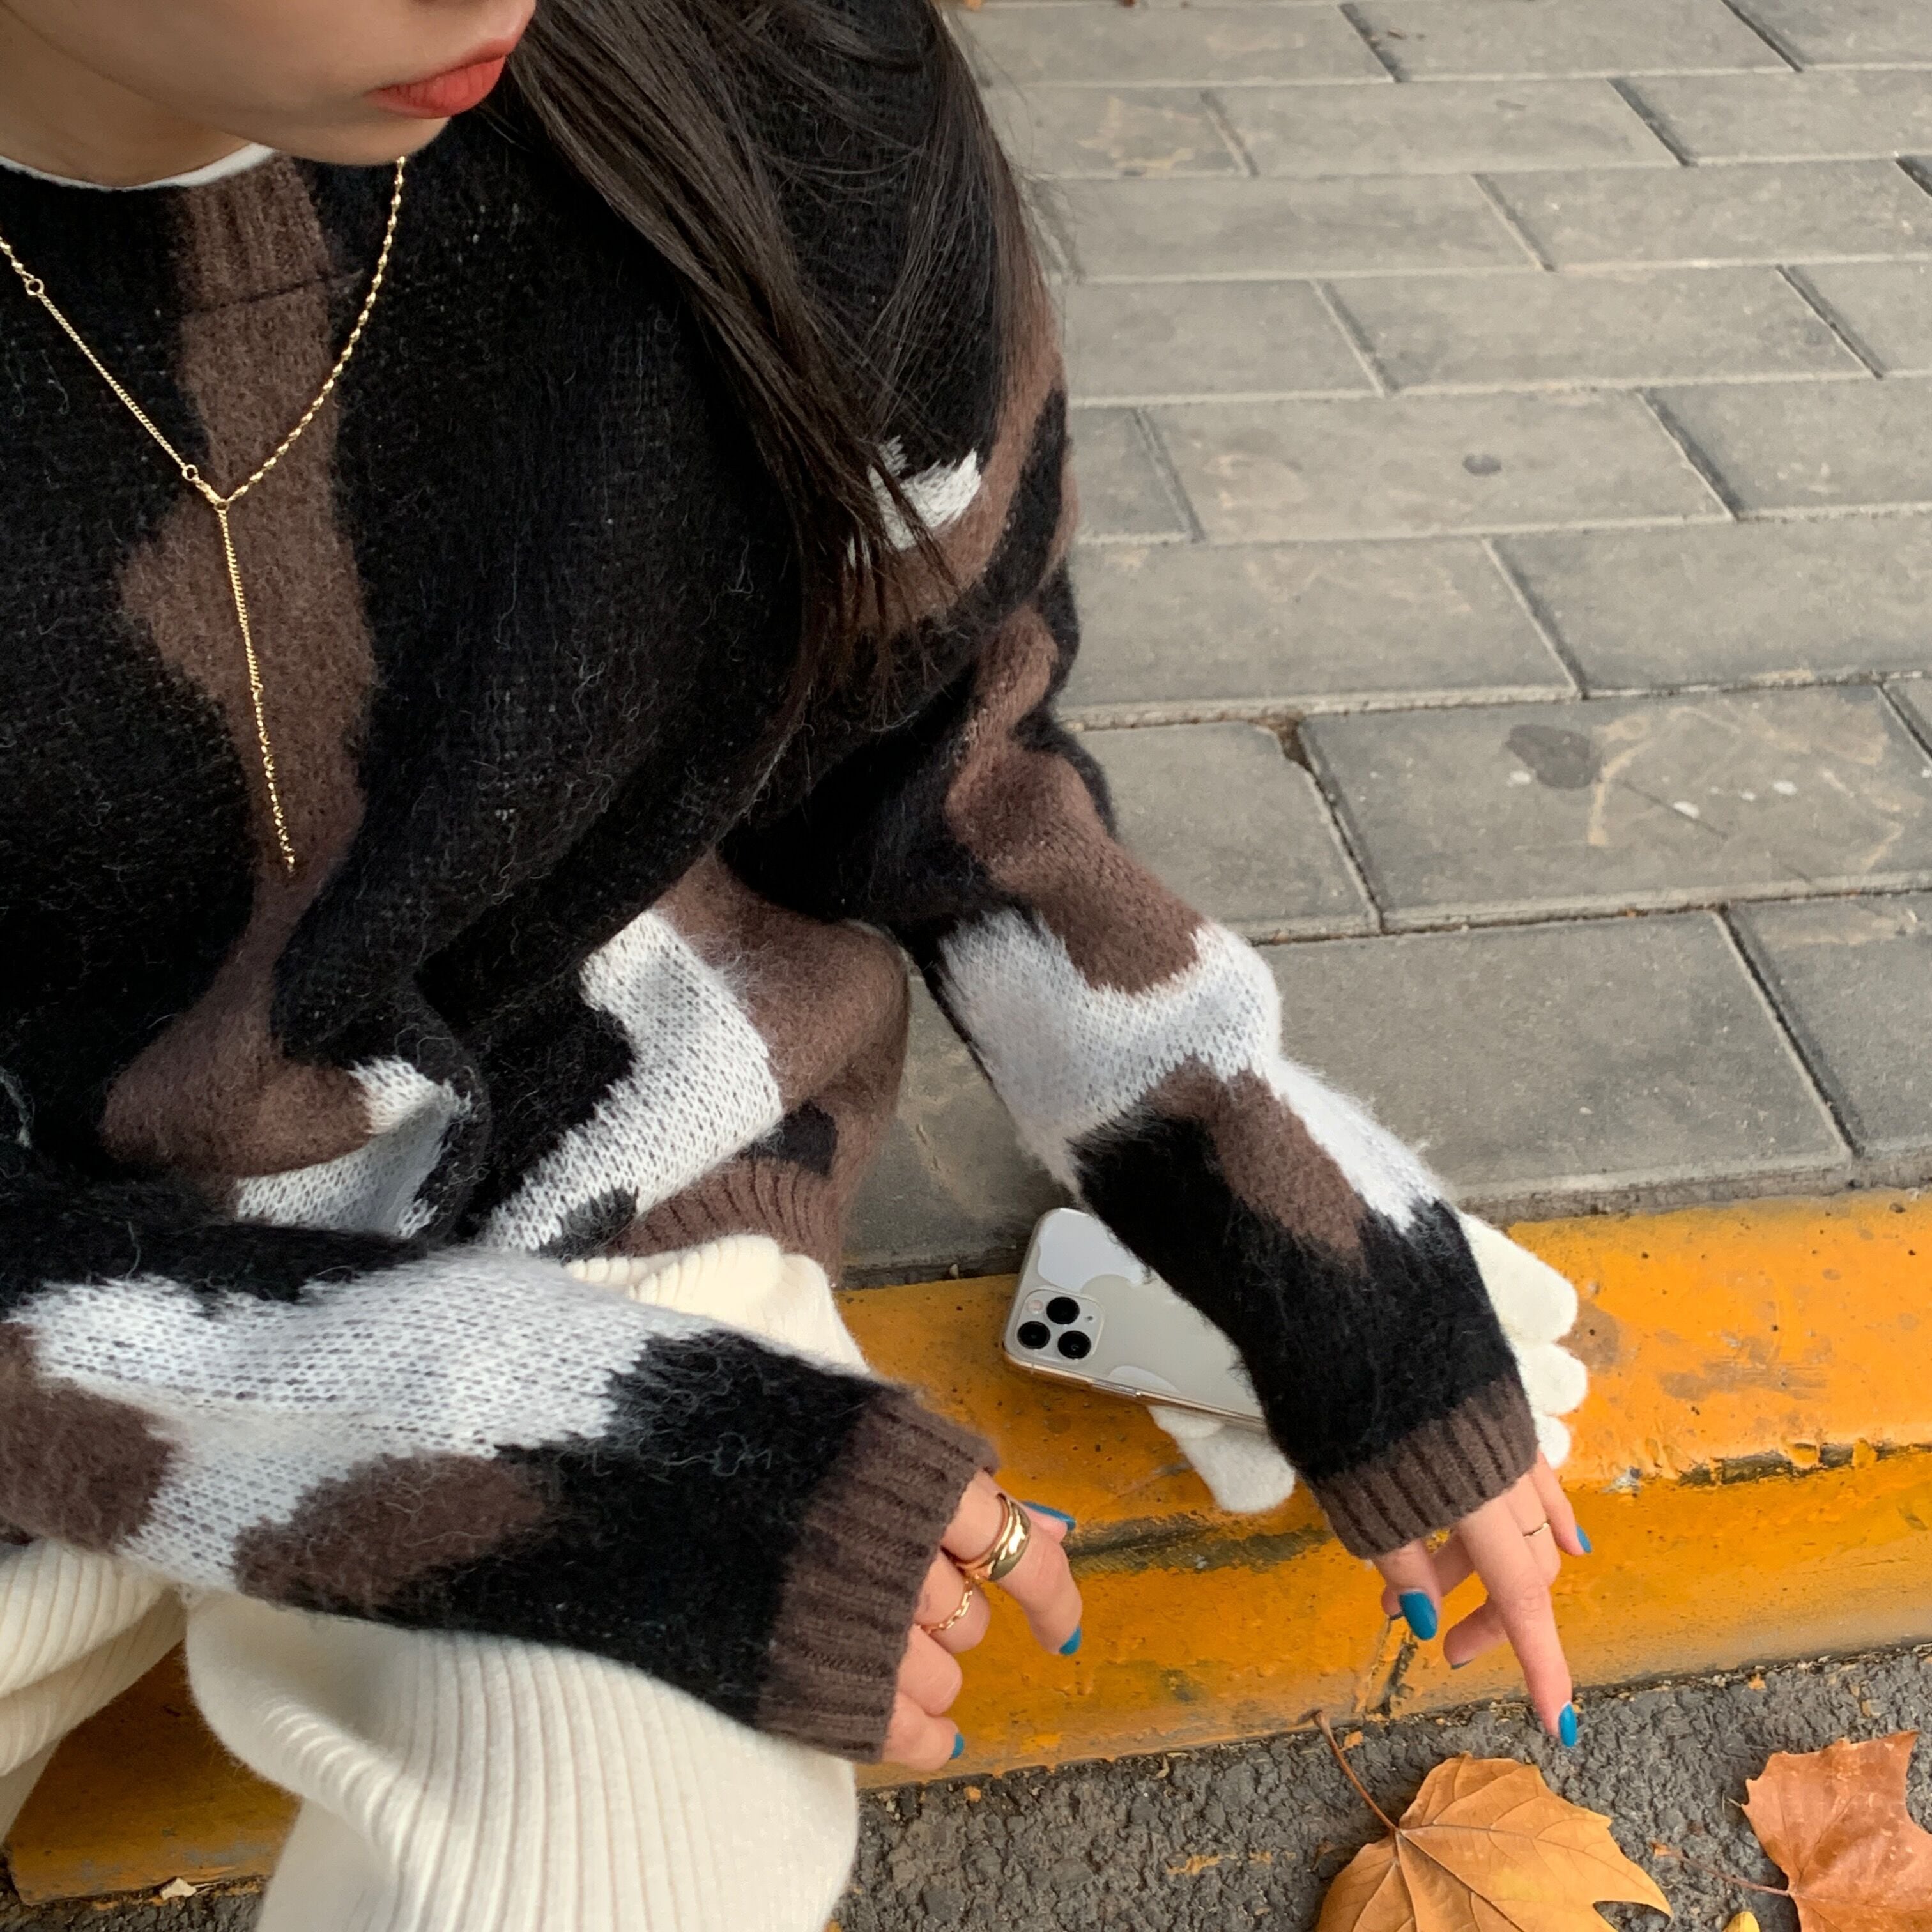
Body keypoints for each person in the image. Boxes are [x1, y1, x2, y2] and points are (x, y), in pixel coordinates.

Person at [0, 0, 1589, 1925]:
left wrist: (1335, 1276)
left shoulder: (785, 74)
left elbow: (947, 761)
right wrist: (579, 1449)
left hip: (593, 1172)